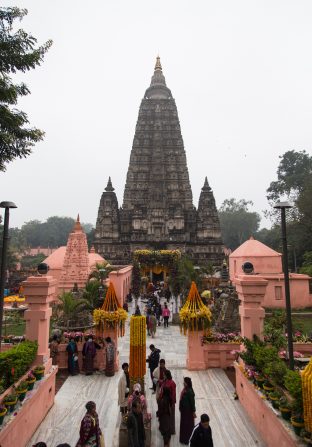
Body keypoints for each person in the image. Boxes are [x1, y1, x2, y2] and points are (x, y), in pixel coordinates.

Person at [179, 377, 196, 445]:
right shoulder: (185, 389)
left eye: (184, 382)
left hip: (188, 412)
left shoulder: (190, 391)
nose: (183, 383)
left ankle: (187, 440)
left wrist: (193, 411)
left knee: (187, 425)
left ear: (187, 383)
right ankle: (183, 439)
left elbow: (192, 402)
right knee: (184, 425)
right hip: (184, 411)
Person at [161, 369, 176, 435]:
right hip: (164, 402)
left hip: (170, 403)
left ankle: (171, 430)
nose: (163, 376)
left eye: (164, 375)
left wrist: (172, 403)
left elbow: (173, 394)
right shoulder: (165, 381)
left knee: (171, 417)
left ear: (167, 375)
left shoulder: (172, 383)